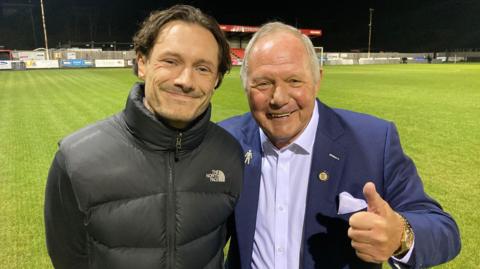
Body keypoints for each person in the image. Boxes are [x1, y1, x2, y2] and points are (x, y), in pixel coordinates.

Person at [219, 22, 460, 269]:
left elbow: (443, 229)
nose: (279, 98)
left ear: (317, 81)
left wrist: (399, 236)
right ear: (245, 86)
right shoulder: (226, 141)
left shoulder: (373, 142)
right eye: (263, 83)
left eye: (294, 81)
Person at [44, 5, 243, 269]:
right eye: (171, 61)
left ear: (216, 78)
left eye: (203, 68)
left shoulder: (229, 154)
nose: (186, 80)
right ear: (142, 63)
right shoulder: (76, 159)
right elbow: (69, 258)